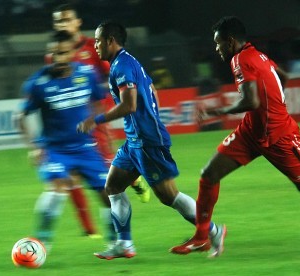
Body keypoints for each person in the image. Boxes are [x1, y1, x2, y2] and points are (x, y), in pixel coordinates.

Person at [170, 16, 300, 257]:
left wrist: (217, 111)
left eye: (218, 44)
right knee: (209, 175)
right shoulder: (255, 53)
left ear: (230, 41)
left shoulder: (240, 60)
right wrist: (271, 106)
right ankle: (201, 237)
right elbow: (283, 77)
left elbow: (251, 101)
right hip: (251, 132)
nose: (216, 49)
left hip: (279, 137)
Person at [77, 21, 225, 259]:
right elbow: (152, 89)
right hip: (135, 140)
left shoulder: (122, 66)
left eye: (97, 40)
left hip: (146, 142)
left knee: (169, 197)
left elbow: (130, 104)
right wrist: (149, 116)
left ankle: (215, 231)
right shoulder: (126, 62)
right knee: (113, 186)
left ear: (110, 41)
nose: (94, 46)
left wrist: (96, 120)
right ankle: (124, 244)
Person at [48, 4, 151, 238]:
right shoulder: (52, 53)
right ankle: (88, 229)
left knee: (106, 170)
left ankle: (134, 179)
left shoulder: (93, 48)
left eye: (66, 20)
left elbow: (114, 74)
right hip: (67, 122)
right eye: (58, 22)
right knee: (70, 174)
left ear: (77, 23)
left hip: (93, 119)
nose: (62, 25)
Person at [18, 30, 119, 250]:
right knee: (57, 189)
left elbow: (98, 103)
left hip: (86, 148)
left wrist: (94, 125)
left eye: (63, 53)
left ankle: (114, 243)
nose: (58, 58)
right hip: (55, 150)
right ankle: (41, 242)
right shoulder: (37, 83)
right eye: (54, 54)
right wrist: (34, 147)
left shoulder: (87, 74)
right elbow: (21, 117)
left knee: (108, 195)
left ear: (73, 53)